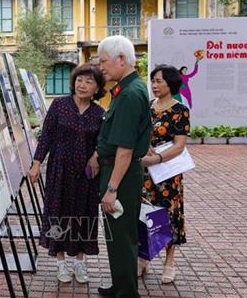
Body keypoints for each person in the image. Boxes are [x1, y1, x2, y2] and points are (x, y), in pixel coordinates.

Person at [29, 63, 105, 284]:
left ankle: (79, 263)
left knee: (84, 214)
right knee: (57, 212)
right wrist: (36, 163)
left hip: (86, 174)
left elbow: (103, 141)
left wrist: (97, 154)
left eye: (89, 81)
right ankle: (61, 263)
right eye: (80, 80)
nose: (82, 85)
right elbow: (47, 137)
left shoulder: (99, 113)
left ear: (97, 87)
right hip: (59, 170)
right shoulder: (60, 105)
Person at [91, 35, 151, 297]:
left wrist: (112, 188)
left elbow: (125, 151)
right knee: (117, 235)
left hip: (120, 175)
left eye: (103, 61)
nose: (100, 66)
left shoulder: (129, 94)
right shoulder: (126, 89)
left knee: (123, 235)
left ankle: (127, 292)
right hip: (116, 171)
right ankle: (120, 285)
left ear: (122, 59)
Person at [138, 64, 190, 284]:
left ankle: (170, 262)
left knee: (168, 215)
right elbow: (139, 134)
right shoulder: (148, 107)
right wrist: (144, 148)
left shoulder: (180, 110)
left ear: (171, 83)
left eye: (159, 81)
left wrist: (157, 158)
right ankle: (144, 259)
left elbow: (179, 145)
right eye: (153, 81)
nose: (155, 85)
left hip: (168, 173)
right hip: (145, 173)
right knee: (145, 213)